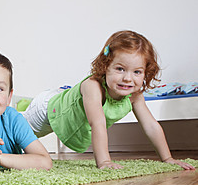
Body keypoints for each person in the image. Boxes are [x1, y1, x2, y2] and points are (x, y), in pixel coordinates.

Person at [22, 30, 195, 170]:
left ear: (146, 73)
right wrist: (104, 161)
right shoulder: (93, 86)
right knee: (13, 133)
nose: (128, 78)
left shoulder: (135, 96)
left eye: (137, 72)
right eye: (120, 69)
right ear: (105, 67)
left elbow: (151, 125)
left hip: (67, 112)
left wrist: (168, 158)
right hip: (48, 110)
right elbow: (97, 123)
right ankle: (8, 114)